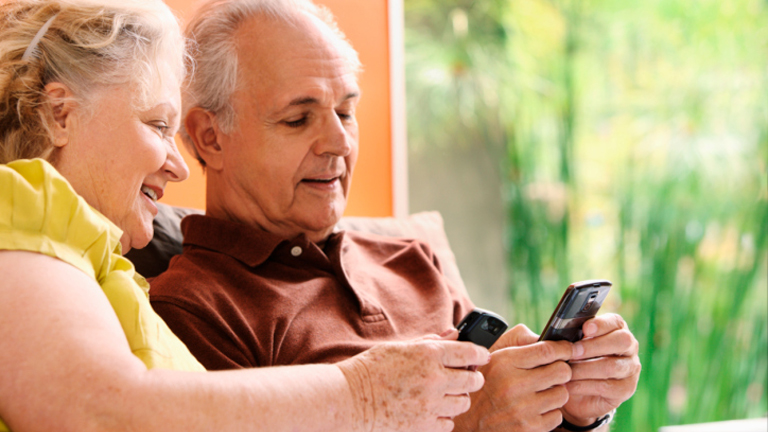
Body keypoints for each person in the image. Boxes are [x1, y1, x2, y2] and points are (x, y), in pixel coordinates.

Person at [148, 0, 642, 431]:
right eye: (298, 119)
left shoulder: (411, 258)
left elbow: (502, 418)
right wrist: (467, 423)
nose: (339, 142)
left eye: (346, 113)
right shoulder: (192, 307)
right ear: (210, 137)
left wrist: (571, 411)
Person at [0, 0, 492, 430]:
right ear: (60, 115)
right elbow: (99, 415)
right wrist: (366, 396)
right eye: (157, 124)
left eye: (346, 112)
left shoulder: (97, 261)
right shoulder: (22, 216)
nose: (178, 165)